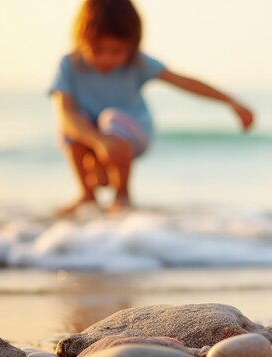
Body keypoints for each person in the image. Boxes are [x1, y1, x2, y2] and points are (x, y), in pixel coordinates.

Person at [49, 0, 253, 215]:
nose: (107, 58)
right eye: (98, 49)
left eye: (117, 51)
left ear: (132, 45)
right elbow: (65, 113)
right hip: (96, 137)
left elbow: (184, 81)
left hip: (133, 133)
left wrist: (231, 102)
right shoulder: (70, 65)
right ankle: (87, 194)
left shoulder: (137, 63)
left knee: (112, 119)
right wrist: (98, 141)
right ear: (81, 39)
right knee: (71, 124)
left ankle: (123, 194)